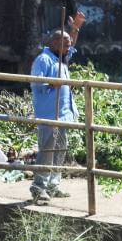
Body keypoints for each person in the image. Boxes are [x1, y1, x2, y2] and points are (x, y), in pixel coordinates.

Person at [29, 11, 85, 206]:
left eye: (69, 43)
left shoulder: (61, 57)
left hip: (63, 114)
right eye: (65, 42)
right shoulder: (44, 60)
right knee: (47, 150)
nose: (69, 45)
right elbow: (37, 83)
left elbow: (72, 44)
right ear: (54, 42)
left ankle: (53, 184)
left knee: (60, 149)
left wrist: (75, 28)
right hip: (48, 113)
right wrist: (53, 83)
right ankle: (39, 188)